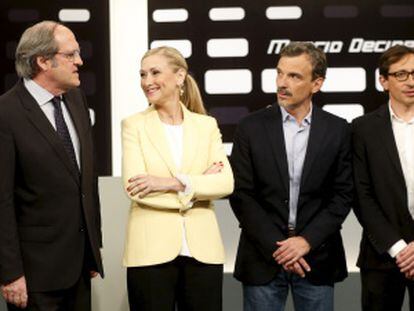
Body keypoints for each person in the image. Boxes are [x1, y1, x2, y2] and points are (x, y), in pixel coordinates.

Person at [229, 42, 353, 311]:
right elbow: (242, 195)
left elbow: (343, 195)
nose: (282, 83)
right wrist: (282, 248)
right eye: (280, 73)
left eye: (294, 76)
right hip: (262, 257)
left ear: (316, 84)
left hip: (316, 258)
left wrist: (305, 242)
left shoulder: (338, 130)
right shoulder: (250, 127)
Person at [0, 21, 103, 310]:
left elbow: (86, 180)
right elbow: (2, 200)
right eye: (71, 55)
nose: (79, 62)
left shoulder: (77, 99)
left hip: (80, 268)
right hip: (35, 276)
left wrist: (93, 249)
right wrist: (10, 273)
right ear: (43, 61)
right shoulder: (6, 114)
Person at [121, 46, 234, 311]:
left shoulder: (206, 125)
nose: (147, 81)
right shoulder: (133, 125)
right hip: (149, 253)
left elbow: (226, 182)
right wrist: (197, 187)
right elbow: (136, 189)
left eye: (155, 72)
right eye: (142, 74)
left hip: (203, 251)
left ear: (179, 76)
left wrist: (171, 183)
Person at [352, 45, 414, 310]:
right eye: (401, 75)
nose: (411, 81)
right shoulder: (362, 129)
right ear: (383, 81)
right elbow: (360, 195)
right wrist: (399, 248)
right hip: (382, 256)